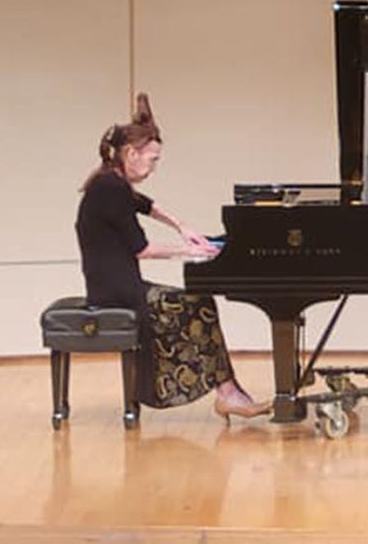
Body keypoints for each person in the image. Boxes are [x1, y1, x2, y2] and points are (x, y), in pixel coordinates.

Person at [75, 92, 270, 422]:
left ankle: (228, 392)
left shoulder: (112, 182)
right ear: (131, 153)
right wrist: (189, 250)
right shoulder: (110, 189)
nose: (153, 168)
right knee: (198, 305)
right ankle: (227, 393)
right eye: (152, 160)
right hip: (116, 292)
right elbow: (143, 249)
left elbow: (147, 205)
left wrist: (183, 227)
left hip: (120, 285)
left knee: (197, 304)